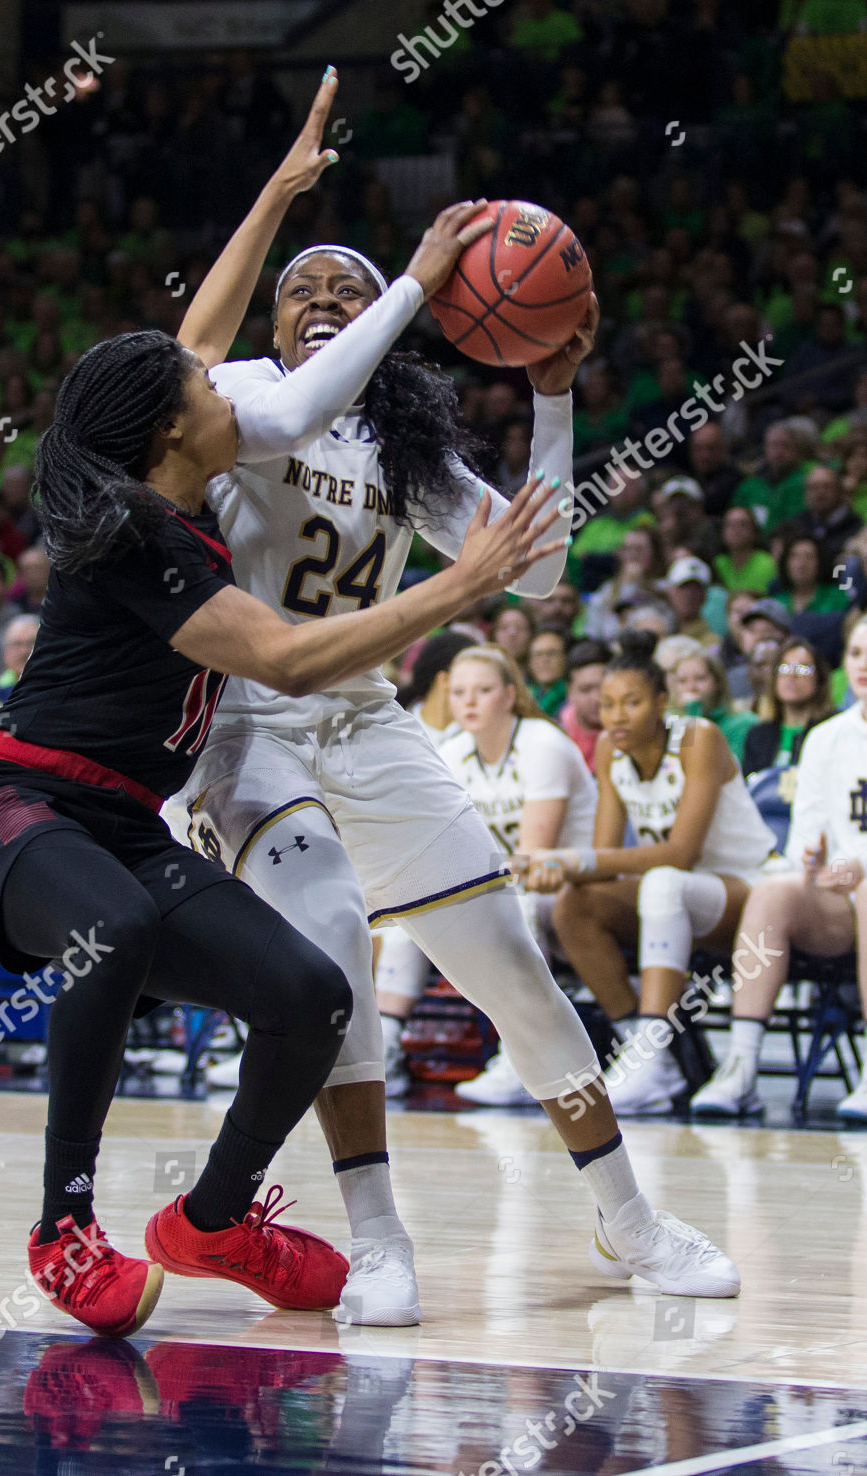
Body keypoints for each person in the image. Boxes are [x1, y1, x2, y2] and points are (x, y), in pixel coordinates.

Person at [0, 92, 571, 1340]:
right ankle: (66, 1227)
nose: (230, 375)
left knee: (313, 991)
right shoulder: (136, 535)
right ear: (180, 423)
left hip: (118, 826)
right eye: (205, 381)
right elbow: (282, 655)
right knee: (108, 928)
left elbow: (204, 345)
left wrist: (280, 194)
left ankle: (214, 1219)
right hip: (9, 811)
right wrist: (463, 583)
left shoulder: (183, 475)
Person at [173, 128, 740, 1322]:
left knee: (514, 973)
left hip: (367, 720)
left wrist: (551, 393)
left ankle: (628, 1217)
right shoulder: (239, 395)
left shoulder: (403, 443)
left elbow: (534, 576)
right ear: (278, 329)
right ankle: (379, 1237)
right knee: (332, 936)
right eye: (304, 293)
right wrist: (413, 282)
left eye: (347, 288)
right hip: (248, 726)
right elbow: (282, 413)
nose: (323, 301)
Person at [522, 634, 777, 1116]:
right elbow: (604, 855)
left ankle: (651, 1050)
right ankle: (645, 1060)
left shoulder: (700, 738)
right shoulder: (606, 750)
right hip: (676, 897)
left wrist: (578, 861)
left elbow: (681, 853)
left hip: (747, 889)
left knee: (662, 881)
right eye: (608, 704)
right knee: (574, 905)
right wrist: (554, 868)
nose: (616, 715)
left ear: (662, 702)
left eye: (632, 703)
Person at [690, 615, 867, 1119]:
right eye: (856, 653)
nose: (864, 664)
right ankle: (740, 1069)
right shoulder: (826, 739)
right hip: (841, 899)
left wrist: (858, 866)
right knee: (775, 892)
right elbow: (807, 838)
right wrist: (819, 864)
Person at [442, 645, 597, 1105]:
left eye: (483, 691)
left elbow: (531, 855)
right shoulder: (449, 751)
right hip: (496, 886)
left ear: (510, 695)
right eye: (459, 692)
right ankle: (387, 1047)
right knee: (404, 921)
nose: (469, 702)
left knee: (518, 903)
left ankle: (523, 1055)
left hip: (570, 887)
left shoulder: (542, 743)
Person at [741, 639, 833, 774]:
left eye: (803, 669)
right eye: (784, 668)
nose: (792, 675)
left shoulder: (832, 729)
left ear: (819, 678)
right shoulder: (757, 735)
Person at [671, 649, 760, 760]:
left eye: (700, 679)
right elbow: (672, 767)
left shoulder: (743, 723)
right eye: (682, 681)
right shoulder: (672, 721)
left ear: (718, 681)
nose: (691, 688)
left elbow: (712, 768)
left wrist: (693, 712)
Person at [559, 638, 611, 772]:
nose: (596, 698)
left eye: (602, 688)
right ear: (569, 692)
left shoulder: (631, 732)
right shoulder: (558, 735)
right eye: (585, 690)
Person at [527, 625, 569, 715]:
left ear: (565, 658)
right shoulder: (526, 699)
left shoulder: (573, 698)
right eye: (538, 654)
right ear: (530, 662)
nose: (544, 660)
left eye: (552, 653)